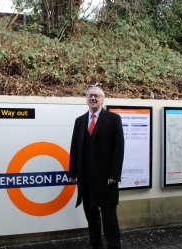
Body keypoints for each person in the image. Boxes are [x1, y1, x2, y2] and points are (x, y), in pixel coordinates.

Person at [69, 86, 124, 249]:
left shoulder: (113, 119)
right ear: (86, 99)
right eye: (90, 95)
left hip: (106, 178)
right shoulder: (79, 121)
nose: (93, 98)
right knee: (91, 214)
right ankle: (95, 243)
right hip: (85, 177)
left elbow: (118, 149)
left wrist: (114, 174)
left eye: (96, 96)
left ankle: (114, 245)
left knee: (109, 215)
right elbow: (74, 148)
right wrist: (73, 171)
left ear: (102, 100)